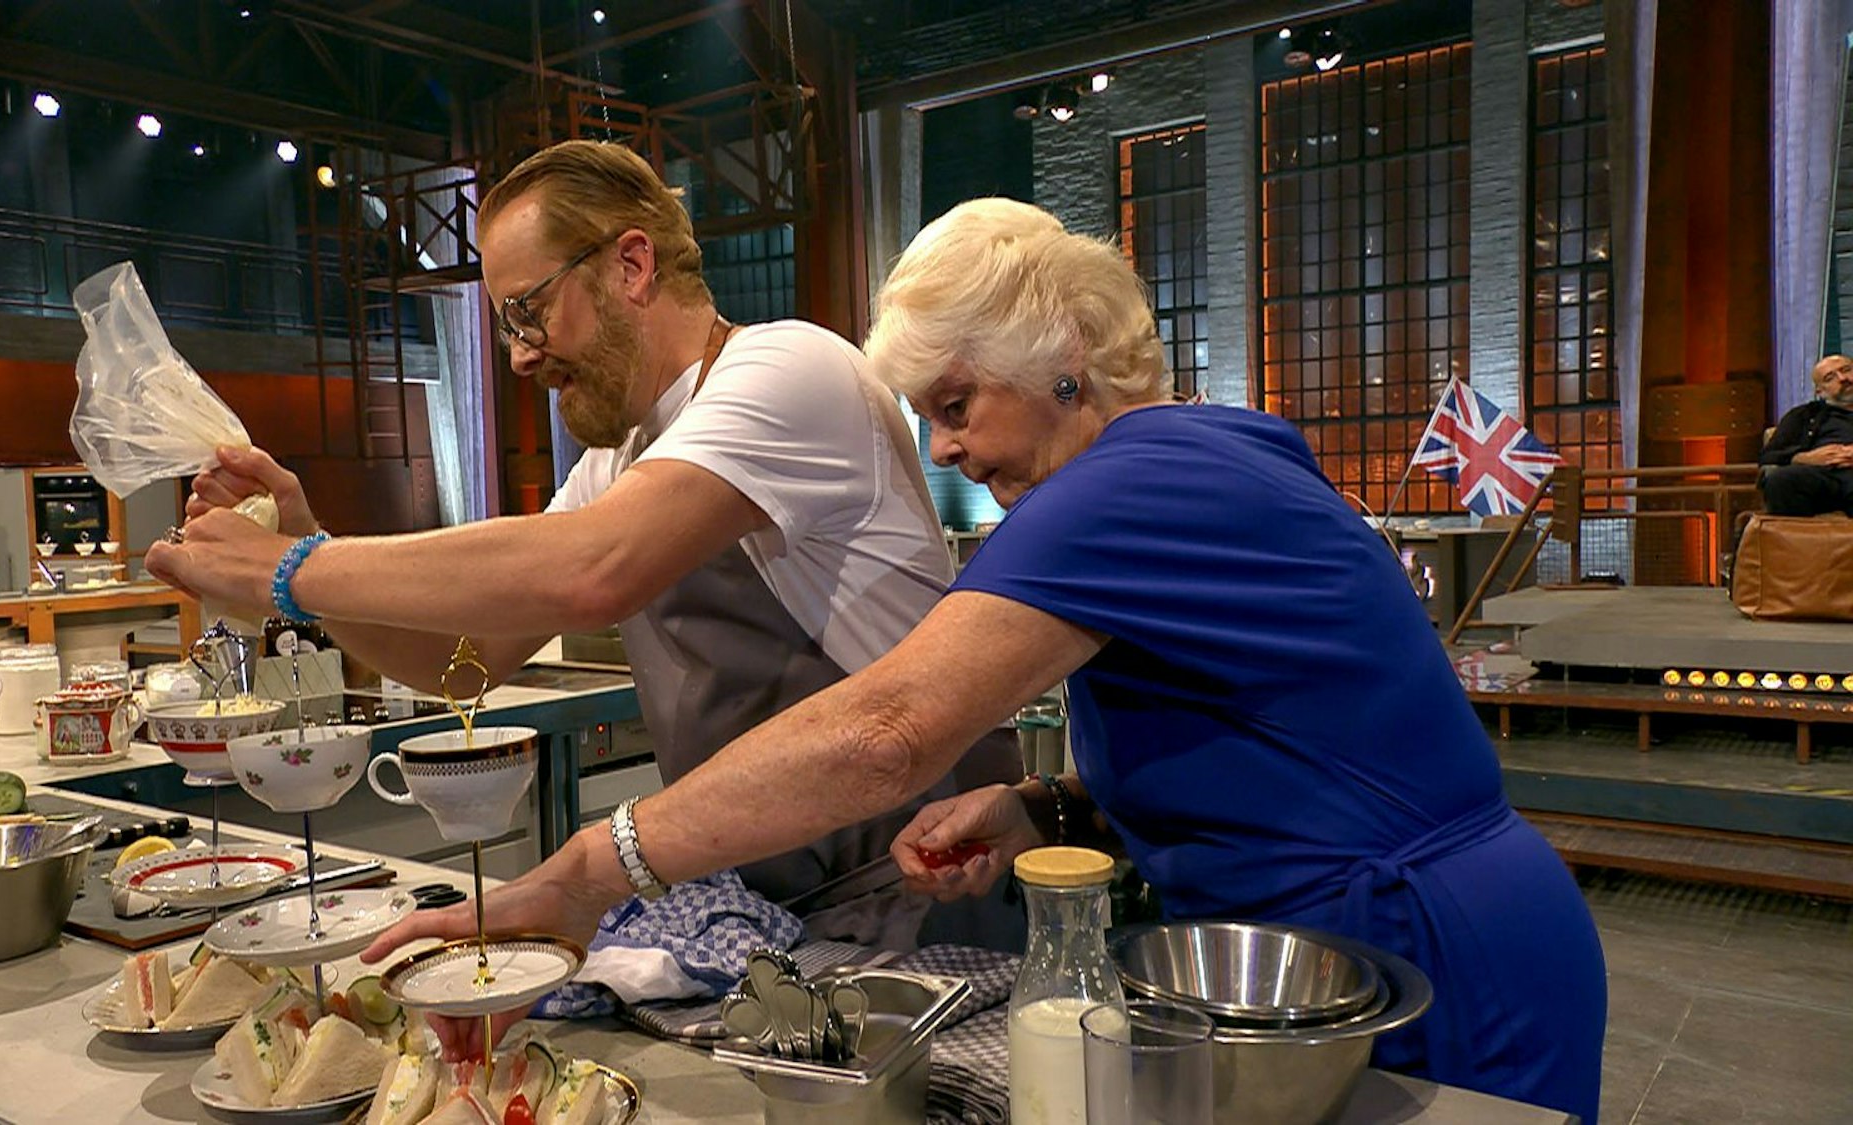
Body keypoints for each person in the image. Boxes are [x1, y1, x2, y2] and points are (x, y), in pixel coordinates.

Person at [361, 197, 1607, 1123]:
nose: (948, 450)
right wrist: (1041, 802)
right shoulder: (1204, 453)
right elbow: (1269, 729)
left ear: (1061, 347)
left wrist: (586, 872)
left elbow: (883, 732)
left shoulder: (1130, 480)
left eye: (956, 404)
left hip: (1423, 954)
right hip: (1334, 946)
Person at [144, 139, 1019, 950]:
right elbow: (468, 660)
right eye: (507, 326)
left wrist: (292, 572)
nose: (522, 357)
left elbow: (593, 568)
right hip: (768, 906)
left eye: (529, 311)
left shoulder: (788, 369)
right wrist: (311, 551)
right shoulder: (622, 459)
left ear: (631, 266)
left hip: (923, 880)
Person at [1760, 354, 1853, 516]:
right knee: (1781, 480)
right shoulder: (1803, 415)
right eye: (1830, 378)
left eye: (1846, 370)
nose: (1843, 378)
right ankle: (1799, 540)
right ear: (1820, 391)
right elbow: (1769, 456)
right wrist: (1804, 458)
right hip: (1824, 479)